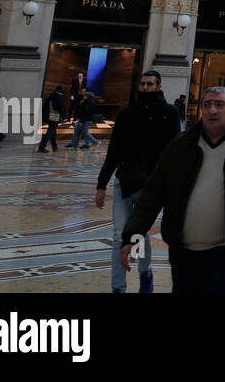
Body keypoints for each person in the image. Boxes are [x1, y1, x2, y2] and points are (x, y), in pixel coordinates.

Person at [120, 86, 225, 293]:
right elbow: (152, 194)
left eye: (219, 105)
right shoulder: (180, 145)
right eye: (206, 105)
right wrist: (132, 237)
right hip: (182, 250)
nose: (212, 111)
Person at [95, 70, 181, 293]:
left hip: (151, 186)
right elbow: (114, 151)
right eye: (142, 84)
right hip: (125, 180)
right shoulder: (126, 114)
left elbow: (175, 152)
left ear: (158, 87)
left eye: (149, 84)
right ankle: (118, 287)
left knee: (138, 233)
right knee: (118, 236)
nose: (144, 88)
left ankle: (145, 274)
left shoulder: (169, 114)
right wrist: (101, 184)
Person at [39, 86, 66, 153]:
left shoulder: (51, 96)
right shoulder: (59, 97)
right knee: (50, 131)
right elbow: (61, 108)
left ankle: (54, 147)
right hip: (55, 117)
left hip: (49, 116)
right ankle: (42, 146)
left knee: (52, 131)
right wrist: (63, 116)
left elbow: (45, 106)